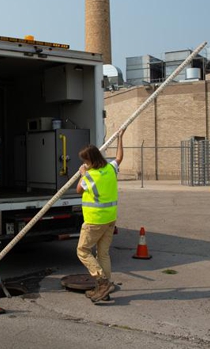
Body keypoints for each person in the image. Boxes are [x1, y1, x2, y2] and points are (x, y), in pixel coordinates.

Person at [76, 129, 125, 302]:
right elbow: (119, 158)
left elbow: (78, 190)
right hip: (110, 219)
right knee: (103, 254)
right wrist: (120, 138)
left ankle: (102, 281)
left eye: (85, 161)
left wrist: (82, 173)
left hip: (94, 221)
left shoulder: (90, 176)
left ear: (90, 160)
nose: (84, 163)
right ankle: (104, 290)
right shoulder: (110, 169)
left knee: (82, 250)